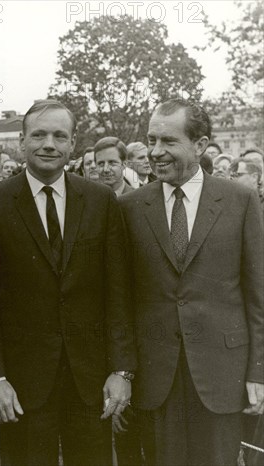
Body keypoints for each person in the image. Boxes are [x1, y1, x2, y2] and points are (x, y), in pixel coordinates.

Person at [0, 99, 136, 466]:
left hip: (90, 381)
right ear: (21, 140)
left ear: (73, 143)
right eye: (39, 135)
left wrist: (121, 370)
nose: (49, 144)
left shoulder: (101, 200)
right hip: (23, 382)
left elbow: (118, 291)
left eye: (60, 135)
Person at [119, 99, 264, 465]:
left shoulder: (240, 201)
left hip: (222, 376)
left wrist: (258, 372)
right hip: (157, 378)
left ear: (200, 146)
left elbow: (258, 295)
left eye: (168, 141)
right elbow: (120, 299)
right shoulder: (130, 207)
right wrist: (123, 371)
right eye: (151, 140)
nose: (155, 152)